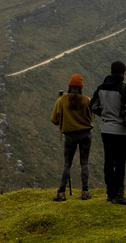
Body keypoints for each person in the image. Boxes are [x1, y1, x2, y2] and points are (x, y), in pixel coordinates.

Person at [89, 60, 126, 205]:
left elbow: (92, 106)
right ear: (123, 74)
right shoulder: (124, 88)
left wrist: (104, 114)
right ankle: (119, 196)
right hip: (121, 132)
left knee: (108, 162)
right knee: (120, 163)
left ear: (110, 72)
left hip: (106, 130)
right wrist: (124, 117)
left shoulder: (101, 88)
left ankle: (110, 193)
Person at [50, 73, 95, 201]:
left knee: (67, 164)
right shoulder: (87, 100)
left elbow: (54, 120)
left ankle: (61, 192)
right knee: (84, 163)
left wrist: (65, 119)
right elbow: (92, 117)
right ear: (81, 87)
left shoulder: (61, 100)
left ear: (70, 87)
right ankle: (85, 191)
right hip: (85, 135)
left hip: (70, 137)